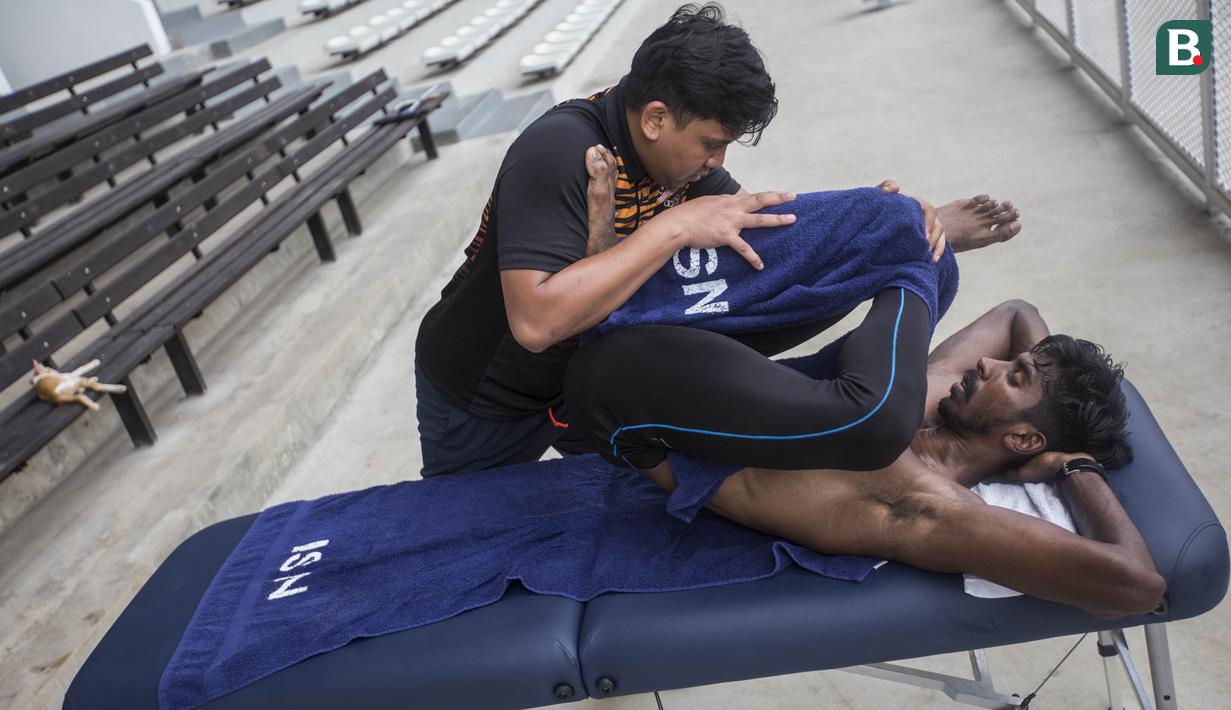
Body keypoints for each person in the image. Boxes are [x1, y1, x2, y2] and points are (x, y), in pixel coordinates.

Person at [414, 3, 1021, 477]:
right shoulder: (561, 152)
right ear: (655, 118)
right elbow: (536, 322)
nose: (717, 162)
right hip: (486, 397)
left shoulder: (682, 165)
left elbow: (766, 234)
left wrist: (881, 221)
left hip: (584, 381)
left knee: (606, 511)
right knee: (459, 530)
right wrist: (674, 225)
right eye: (711, 143)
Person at [564, 299, 1166, 618]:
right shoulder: (943, 398)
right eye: (1013, 365)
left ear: (1023, 441)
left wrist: (1073, 465)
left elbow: (1138, 586)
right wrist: (1044, 403)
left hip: (645, 432)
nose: (989, 365)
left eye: (1015, 379)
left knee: (902, 272)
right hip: (702, 395)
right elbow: (1016, 311)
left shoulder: (930, 504)